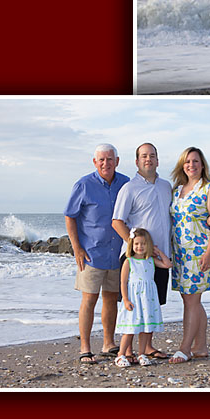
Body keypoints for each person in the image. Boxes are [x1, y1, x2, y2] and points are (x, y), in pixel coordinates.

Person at [63, 143, 129, 365]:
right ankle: (85, 348)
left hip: (117, 253)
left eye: (110, 159)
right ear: (94, 162)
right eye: (101, 160)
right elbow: (70, 216)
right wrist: (77, 248)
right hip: (91, 253)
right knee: (89, 300)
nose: (105, 163)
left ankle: (108, 344)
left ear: (117, 161)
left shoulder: (126, 183)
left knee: (111, 298)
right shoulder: (83, 185)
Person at [112, 142, 173, 360]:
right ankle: (126, 351)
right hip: (136, 258)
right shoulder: (129, 188)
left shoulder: (166, 186)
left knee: (153, 303)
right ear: (137, 161)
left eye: (152, 155)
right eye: (144, 156)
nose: (149, 159)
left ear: (158, 160)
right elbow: (117, 222)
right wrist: (134, 247)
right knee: (132, 305)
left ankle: (146, 347)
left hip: (159, 255)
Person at [168, 147, 210, 364]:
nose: (191, 165)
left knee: (192, 300)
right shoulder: (177, 190)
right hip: (180, 253)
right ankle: (200, 346)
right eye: (187, 162)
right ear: (182, 165)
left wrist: (209, 253)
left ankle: (185, 348)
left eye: (196, 161)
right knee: (189, 299)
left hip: (199, 252)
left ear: (202, 165)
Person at [114, 228, 173, 367]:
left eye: (143, 244)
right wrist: (126, 299)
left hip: (148, 300)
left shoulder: (151, 260)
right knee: (130, 328)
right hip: (134, 299)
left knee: (146, 328)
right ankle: (120, 355)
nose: (140, 247)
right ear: (131, 245)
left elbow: (167, 264)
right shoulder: (129, 261)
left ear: (149, 246)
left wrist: (158, 252)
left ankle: (142, 354)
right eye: (137, 244)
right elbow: (123, 282)